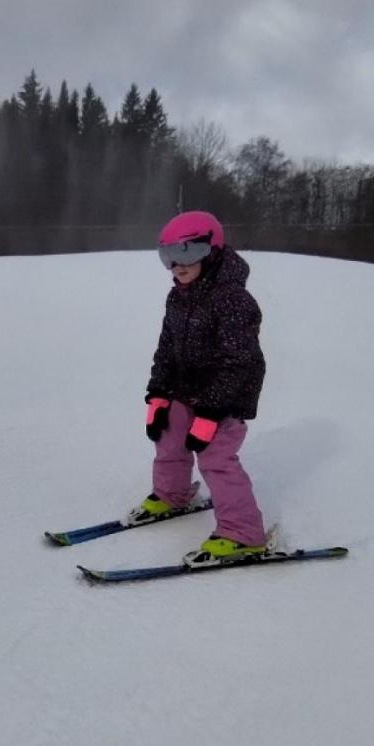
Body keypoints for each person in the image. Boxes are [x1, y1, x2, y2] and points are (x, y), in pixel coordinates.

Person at [127, 210, 269, 568]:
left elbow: (239, 361)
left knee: (215, 458)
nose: (177, 265)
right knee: (169, 437)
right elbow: (166, 349)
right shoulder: (178, 297)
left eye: (186, 253)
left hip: (226, 396)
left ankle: (244, 534)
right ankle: (173, 494)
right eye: (168, 256)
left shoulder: (233, 300)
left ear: (213, 250)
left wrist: (210, 411)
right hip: (185, 388)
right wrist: (158, 393)